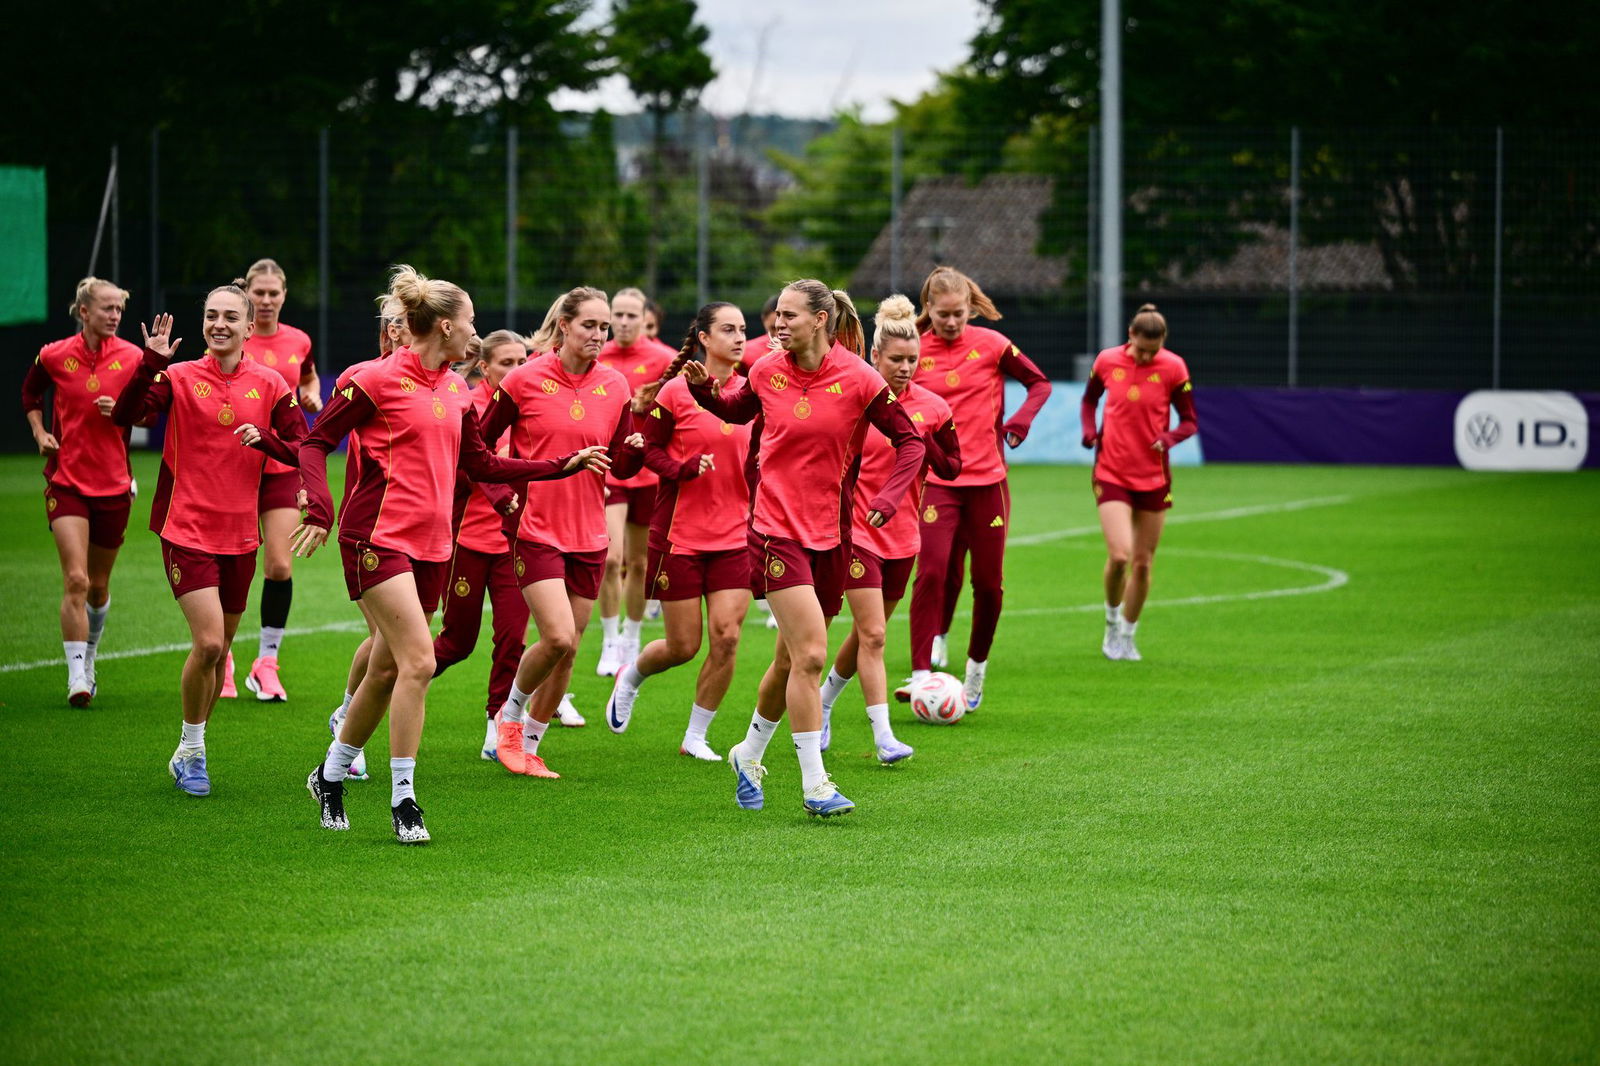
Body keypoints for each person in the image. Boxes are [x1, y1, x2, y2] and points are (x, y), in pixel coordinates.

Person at [295, 266, 607, 844]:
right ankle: (404, 799)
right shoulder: (373, 380)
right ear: (444, 326)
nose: (475, 333)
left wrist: (556, 467)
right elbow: (314, 441)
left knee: (388, 667)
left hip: (435, 547)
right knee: (418, 661)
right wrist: (318, 503)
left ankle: (331, 773)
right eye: (469, 323)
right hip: (376, 539)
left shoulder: (458, 388)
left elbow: (482, 464)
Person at [684, 279, 925, 817]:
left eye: (790, 316)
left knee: (791, 659)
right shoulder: (766, 370)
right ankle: (816, 785)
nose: (778, 324)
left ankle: (747, 753)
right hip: (773, 531)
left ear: (821, 320)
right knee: (813, 654)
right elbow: (736, 411)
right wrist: (704, 393)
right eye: (777, 316)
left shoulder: (861, 379)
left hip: (834, 537)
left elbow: (912, 441)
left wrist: (886, 497)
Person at [110, 287, 306, 796]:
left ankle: (188, 747)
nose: (219, 324)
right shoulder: (176, 376)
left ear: (248, 327)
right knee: (211, 642)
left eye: (230, 318)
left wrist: (268, 442)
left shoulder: (271, 382)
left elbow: (303, 447)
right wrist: (150, 361)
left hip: (241, 536)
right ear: (203, 324)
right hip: (185, 529)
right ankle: (195, 753)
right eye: (211, 316)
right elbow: (127, 415)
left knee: (217, 657)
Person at [479, 287, 644, 779]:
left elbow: (620, 461)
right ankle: (507, 724)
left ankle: (529, 746)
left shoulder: (616, 386)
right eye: (589, 325)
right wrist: (501, 498)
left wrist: (634, 449)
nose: (598, 335)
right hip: (537, 529)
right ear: (564, 325)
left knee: (569, 649)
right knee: (555, 637)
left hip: (591, 534)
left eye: (604, 327)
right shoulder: (524, 380)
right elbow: (479, 448)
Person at [603, 302, 754, 760]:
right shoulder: (674, 391)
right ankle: (632, 675)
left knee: (727, 636)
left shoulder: (753, 393)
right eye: (728, 329)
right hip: (679, 535)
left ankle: (695, 737)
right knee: (682, 646)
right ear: (704, 339)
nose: (740, 337)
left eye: (743, 329)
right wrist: (683, 469)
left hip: (736, 536)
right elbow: (647, 450)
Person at [902, 266, 1052, 711]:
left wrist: (1020, 419)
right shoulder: (911, 349)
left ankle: (975, 671)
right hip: (935, 482)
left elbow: (1038, 383)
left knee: (988, 585)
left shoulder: (992, 345)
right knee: (930, 572)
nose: (951, 322)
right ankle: (921, 675)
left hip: (988, 482)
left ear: (971, 308)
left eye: (960, 313)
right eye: (943, 314)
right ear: (927, 309)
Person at [819, 295, 961, 762]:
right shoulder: (857, 401)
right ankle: (884, 738)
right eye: (895, 360)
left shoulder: (935, 408)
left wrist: (924, 446)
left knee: (864, 635)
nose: (904, 368)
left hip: (904, 538)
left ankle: (822, 702)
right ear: (874, 357)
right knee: (876, 635)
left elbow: (953, 466)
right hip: (858, 535)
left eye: (912, 360)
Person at [22, 277, 143, 707]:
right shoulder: (54, 355)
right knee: (75, 578)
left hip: (113, 485)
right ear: (84, 311)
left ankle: (90, 656)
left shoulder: (132, 356)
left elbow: (153, 412)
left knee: (97, 586)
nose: (114, 316)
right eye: (107, 308)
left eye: (119, 310)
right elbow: (30, 392)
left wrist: (126, 410)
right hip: (67, 482)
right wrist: (39, 431)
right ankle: (77, 678)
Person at [429, 330, 533, 762]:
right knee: (456, 642)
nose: (516, 370)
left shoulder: (533, 405)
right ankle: (380, 686)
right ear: (484, 367)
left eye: (522, 361)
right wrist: (496, 492)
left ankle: (498, 725)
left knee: (512, 639)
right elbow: (467, 466)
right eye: (506, 363)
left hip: (518, 543)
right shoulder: (467, 403)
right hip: (469, 542)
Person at [323, 294, 413, 783]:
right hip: (371, 528)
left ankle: (345, 722)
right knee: (389, 643)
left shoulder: (437, 382)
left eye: (407, 320)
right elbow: (316, 441)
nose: (399, 328)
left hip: (418, 533)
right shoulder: (364, 378)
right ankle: (346, 728)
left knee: (387, 645)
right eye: (393, 322)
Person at [224, 258, 322, 703]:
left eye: (273, 293)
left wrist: (310, 393)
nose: (265, 301)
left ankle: (266, 662)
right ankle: (221, 655)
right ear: (247, 292)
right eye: (257, 293)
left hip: (280, 466)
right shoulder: (232, 335)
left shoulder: (298, 340)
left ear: (284, 295)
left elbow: (307, 375)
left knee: (280, 566)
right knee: (229, 563)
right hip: (236, 468)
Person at [1080, 303, 1198, 662]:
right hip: (1111, 471)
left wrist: (1170, 437)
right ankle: (1111, 623)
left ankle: (1128, 636)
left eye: (1154, 350)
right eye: (1142, 349)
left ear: (1163, 344)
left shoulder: (1174, 367)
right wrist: (1089, 432)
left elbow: (1189, 420)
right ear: (1130, 336)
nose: (1147, 357)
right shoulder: (1107, 361)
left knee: (1143, 563)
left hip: (1153, 476)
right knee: (1119, 556)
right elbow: (1089, 402)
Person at [593, 287, 677, 678]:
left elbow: (679, 411)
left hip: (649, 472)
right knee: (611, 559)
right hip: (610, 469)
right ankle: (609, 641)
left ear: (645, 317)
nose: (624, 323)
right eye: (618, 315)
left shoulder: (663, 359)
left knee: (640, 562)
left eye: (631, 315)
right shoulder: (598, 356)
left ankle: (632, 636)